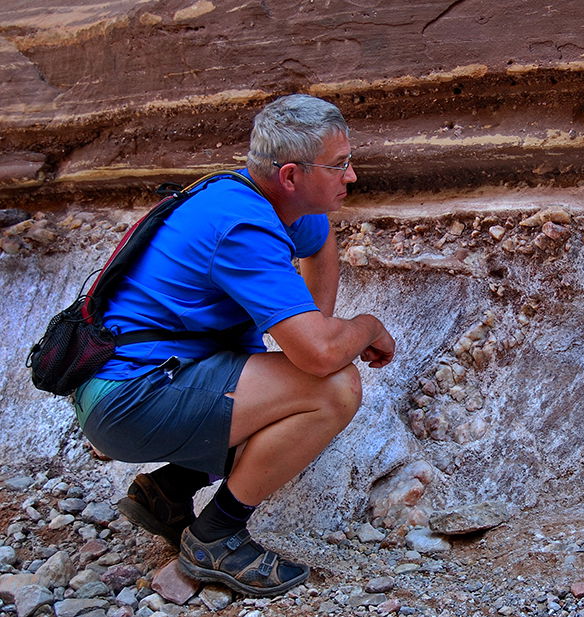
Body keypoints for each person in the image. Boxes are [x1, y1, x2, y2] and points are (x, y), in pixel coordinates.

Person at [72, 94, 396, 597]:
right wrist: (365, 327)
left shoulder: (270, 199)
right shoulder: (242, 225)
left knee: (309, 373)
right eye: (340, 165)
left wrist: (320, 328)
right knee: (333, 386)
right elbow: (320, 358)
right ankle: (216, 537)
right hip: (129, 398)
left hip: (143, 380)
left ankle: (168, 493)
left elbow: (319, 238)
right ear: (290, 175)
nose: (351, 177)